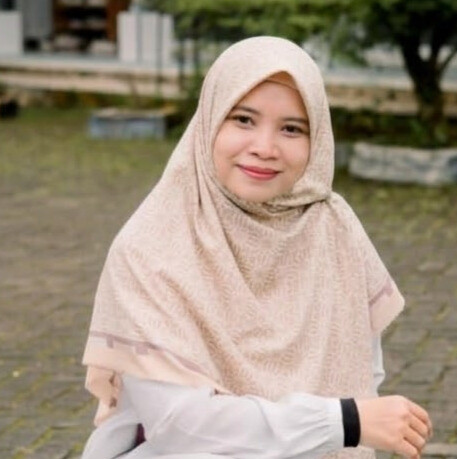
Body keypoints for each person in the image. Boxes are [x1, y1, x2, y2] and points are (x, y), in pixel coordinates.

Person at [81, 36, 432, 459]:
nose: (265, 148)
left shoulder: (334, 228)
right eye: (243, 119)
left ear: (317, 139)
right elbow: (180, 426)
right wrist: (342, 422)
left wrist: (343, 425)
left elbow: (361, 371)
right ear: (210, 120)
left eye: (292, 128)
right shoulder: (151, 248)